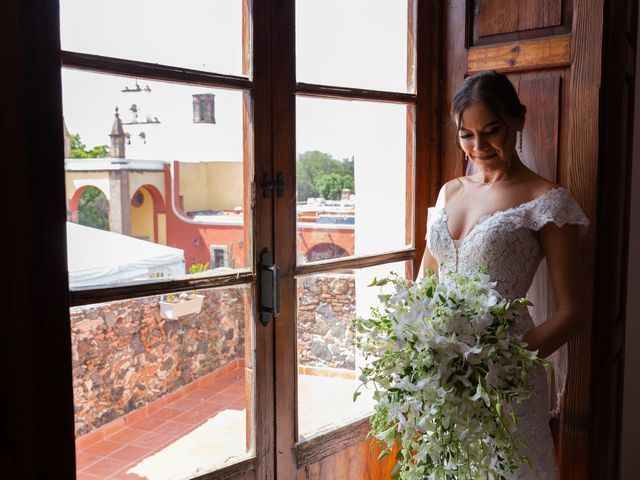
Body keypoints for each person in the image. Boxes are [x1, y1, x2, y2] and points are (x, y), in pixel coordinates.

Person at [419, 70, 589, 478]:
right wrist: (420, 351)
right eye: (466, 134)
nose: (479, 147)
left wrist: (500, 365)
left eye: (491, 131)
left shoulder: (546, 201)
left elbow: (573, 310)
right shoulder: (450, 191)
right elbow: (425, 282)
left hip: (506, 378)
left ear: (518, 120)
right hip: (444, 378)